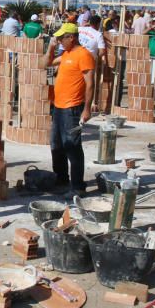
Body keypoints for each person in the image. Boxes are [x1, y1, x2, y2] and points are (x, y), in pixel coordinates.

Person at [45, 26, 94, 196]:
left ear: (71, 37)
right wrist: (51, 47)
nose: (59, 41)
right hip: (59, 107)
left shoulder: (83, 55)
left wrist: (87, 109)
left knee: (72, 147)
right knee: (56, 145)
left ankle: (78, 187)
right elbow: (45, 64)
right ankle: (61, 179)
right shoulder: (66, 54)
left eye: (61, 39)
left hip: (72, 108)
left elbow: (90, 83)